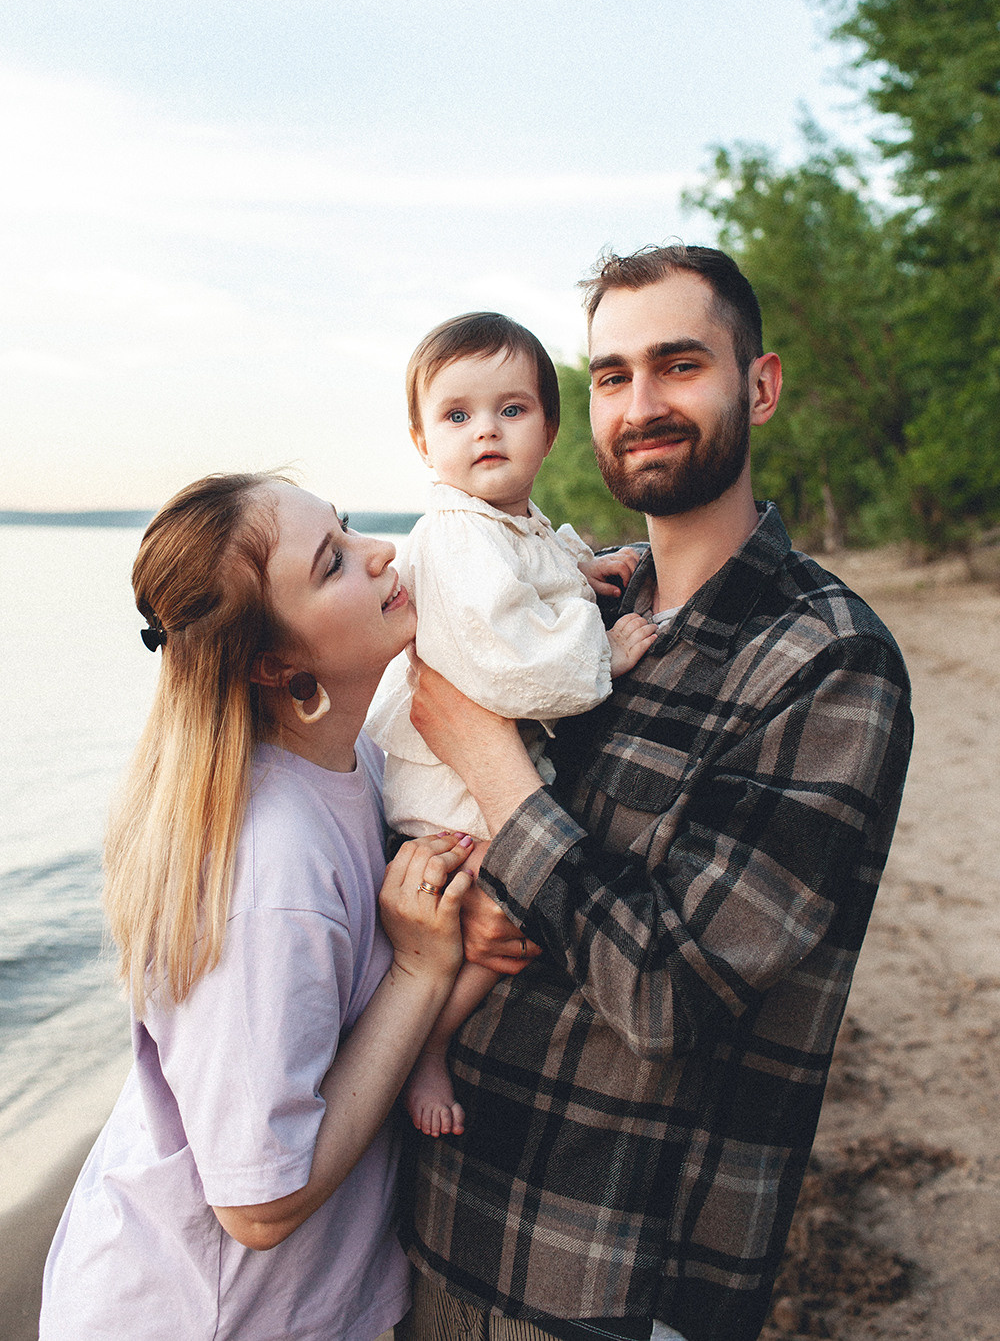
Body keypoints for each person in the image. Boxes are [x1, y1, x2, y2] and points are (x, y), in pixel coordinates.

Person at [399, 246, 914, 1341]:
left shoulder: (828, 660)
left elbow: (666, 994)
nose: (640, 405)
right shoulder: (572, 601)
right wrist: (444, 901)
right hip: (427, 1236)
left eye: (679, 365)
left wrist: (494, 770)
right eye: (612, 376)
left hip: (603, 1281)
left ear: (758, 387)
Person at [40, 472, 474, 1341]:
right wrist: (422, 972)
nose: (381, 552)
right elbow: (258, 1202)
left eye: (346, 529)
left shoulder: (356, 765)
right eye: (332, 563)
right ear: (274, 665)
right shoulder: (269, 866)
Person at [365, 312, 656, 1138]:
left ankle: (424, 1035)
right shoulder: (454, 537)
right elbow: (512, 658)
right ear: (424, 442)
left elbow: (534, 565)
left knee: (503, 911)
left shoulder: (502, 523)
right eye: (457, 415)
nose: (485, 431)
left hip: (470, 765)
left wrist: (585, 567)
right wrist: (604, 652)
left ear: (549, 431)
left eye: (511, 409)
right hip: (447, 783)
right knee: (509, 907)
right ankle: (428, 1045)